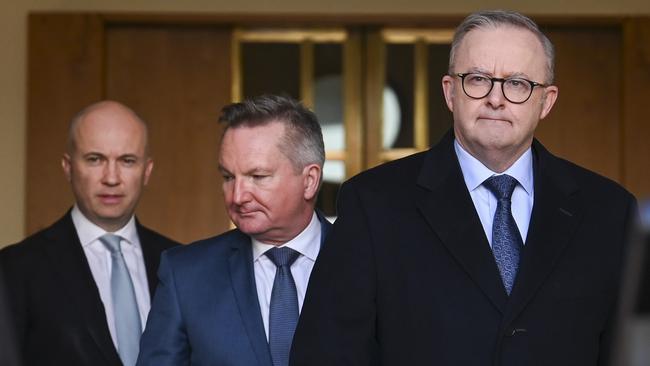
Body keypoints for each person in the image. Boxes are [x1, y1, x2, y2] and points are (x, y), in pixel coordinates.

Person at [291, 10, 637, 366]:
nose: (496, 98)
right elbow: (327, 354)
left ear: (546, 101)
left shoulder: (610, 211)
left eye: (517, 83)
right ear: (450, 92)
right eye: (477, 79)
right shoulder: (373, 203)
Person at [137, 94, 331, 366]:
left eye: (258, 176)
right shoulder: (185, 275)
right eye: (228, 177)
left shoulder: (367, 263)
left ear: (309, 180)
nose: (238, 196)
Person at [0, 101, 179, 366]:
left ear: (147, 171)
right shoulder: (14, 268)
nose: (111, 177)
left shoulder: (181, 264)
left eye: (127, 161)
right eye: (95, 159)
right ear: (68, 167)